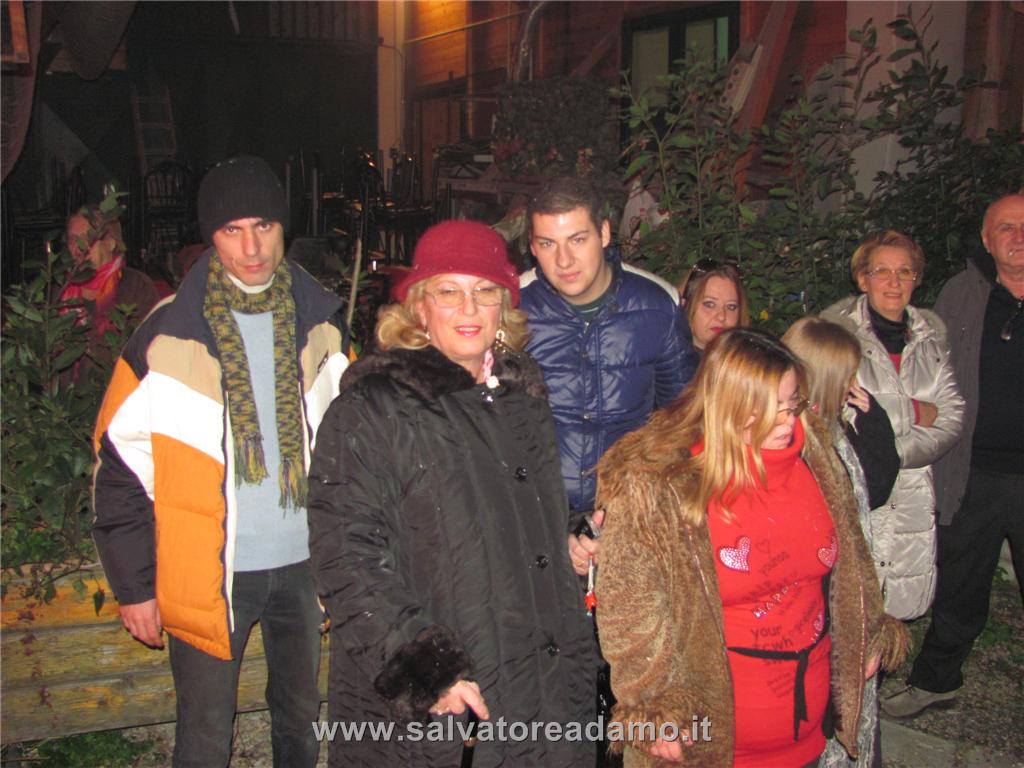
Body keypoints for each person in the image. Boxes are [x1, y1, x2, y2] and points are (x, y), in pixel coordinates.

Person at [308, 220, 598, 767]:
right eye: (449, 291)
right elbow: (345, 557)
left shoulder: (521, 401)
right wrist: (425, 671)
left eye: (485, 291)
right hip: (447, 696)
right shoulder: (373, 409)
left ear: (503, 306)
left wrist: (568, 536)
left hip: (538, 680)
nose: (469, 308)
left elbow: (508, 517)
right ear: (419, 307)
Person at [92, 156, 349, 767]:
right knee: (205, 735)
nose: (251, 247)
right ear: (210, 235)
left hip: (303, 565)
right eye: (232, 229)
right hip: (208, 571)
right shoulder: (167, 334)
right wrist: (134, 586)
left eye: (264, 225)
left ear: (284, 227)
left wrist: (344, 562)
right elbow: (118, 464)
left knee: (299, 720)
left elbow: (351, 450)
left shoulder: (322, 324)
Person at [594, 328, 909, 768]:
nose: (787, 421)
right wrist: (653, 706)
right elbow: (629, 611)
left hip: (807, 735)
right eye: (769, 408)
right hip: (710, 743)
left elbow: (853, 553)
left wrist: (866, 626)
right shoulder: (658, 487)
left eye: (792, 404)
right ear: (727, 405)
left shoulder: (815, 453)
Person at [882, 193, 1024, 719]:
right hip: (972, 472)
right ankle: (937, 681)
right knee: (959, 584)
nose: (1018, 237)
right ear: (987, 240)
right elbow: (928, 371)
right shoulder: (962, 293)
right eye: (1006, 227)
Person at [519, 175, 696, 570]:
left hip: (630, 514)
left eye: (577, 240)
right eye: (547, 244)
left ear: (603, 233)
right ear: (532, 246)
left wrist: (629, 513)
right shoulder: (512, 308)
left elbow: (681, 420)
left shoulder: (656, 305)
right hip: (536, 518)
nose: (564, 261)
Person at [823, 231, 964, 620]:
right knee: (847, 611)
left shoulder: (931, 340)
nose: (894, 281)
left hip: (914, 496)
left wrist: (888, 446)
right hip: (859, 488)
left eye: (905, 271)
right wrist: (916, 412)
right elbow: (839, 412)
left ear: (916, 279)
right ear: (862, 279)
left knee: (895, 614)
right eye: (881, 271)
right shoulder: (835, 335)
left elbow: (952, 418)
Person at [783, 316, 901, 768]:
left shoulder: (836, 432)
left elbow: (877, 485)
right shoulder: (806, 445)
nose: (856, 382)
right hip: (824, 615)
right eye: (849, 374)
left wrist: (874, 420)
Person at [60, 204, 159, 375]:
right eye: (73, 240)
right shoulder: (59, 291)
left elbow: (151, 349)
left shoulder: (135, 287)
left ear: (111, 243)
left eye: (88, 238)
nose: (79, 247)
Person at [678, 259, 750, 357]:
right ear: (685, 304)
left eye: (731, 307)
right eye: (710, 304)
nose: (722, 316)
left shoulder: (751, 363)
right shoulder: (662, 361)